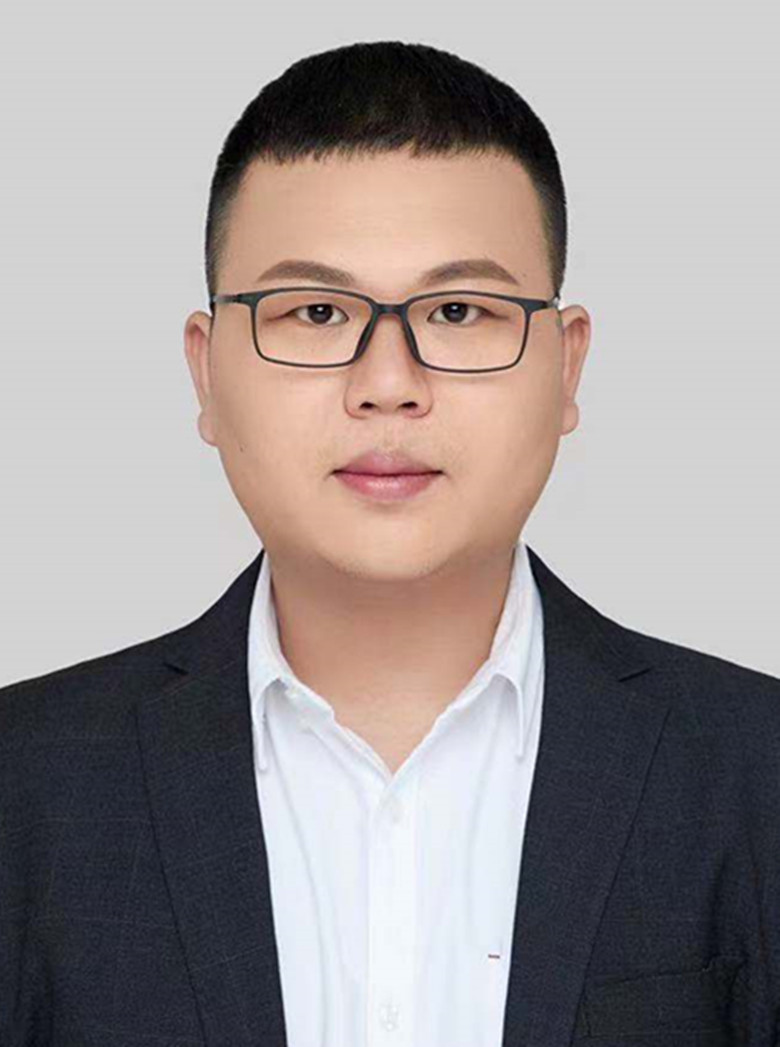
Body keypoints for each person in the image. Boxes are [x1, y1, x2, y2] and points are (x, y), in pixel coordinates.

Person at [1, 39, 777, 1047]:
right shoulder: (27, 785)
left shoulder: (755, 769)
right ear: (206, 373)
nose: (388, 384)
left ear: (566, 367)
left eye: (458, 311)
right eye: (316, 311)